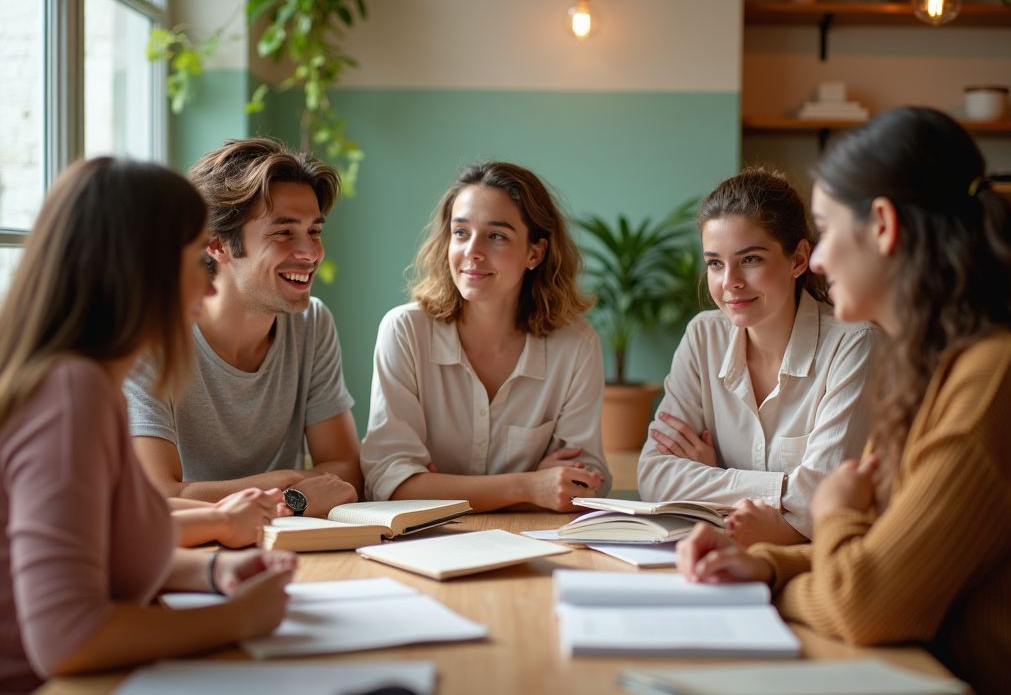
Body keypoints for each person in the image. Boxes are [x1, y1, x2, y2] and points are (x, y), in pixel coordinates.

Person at [677, 107, 1011, 695]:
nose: (815, 260)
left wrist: (833, 512)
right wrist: (767, 564)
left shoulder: (990, 381)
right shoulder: (938, 366)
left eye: (828, 230)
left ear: (883, 226)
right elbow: (886, 555)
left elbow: (865, 602)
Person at [0, 158, 295, 694]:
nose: (208, 291)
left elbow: (106, 547)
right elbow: (67, 638)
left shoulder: (87, 387)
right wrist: (237, 621)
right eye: (195, 264)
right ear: (140, 271)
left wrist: (211, 574)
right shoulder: (72, 396)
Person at [637, 169, 880, 546]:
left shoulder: (855, 345)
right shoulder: (703, 336)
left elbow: (824, 502)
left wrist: (713, 477)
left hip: (825, 573)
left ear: (799, 259)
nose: (729, 281)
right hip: (724, 560)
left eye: (750, 259)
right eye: (715, 263)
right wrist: (785, 490)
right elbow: (654, 475)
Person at [126, 138, 361, 518]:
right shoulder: (152, 334)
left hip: (285, 544)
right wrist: (289, 484)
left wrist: (275, 497)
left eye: (314, 231)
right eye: (284, 233)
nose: (310, 252)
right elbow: (159, 497)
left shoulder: (312, 323)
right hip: (187, 552)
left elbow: (345, 473)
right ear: (217, 245)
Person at [360, 161, 612, 511]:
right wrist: (527, 486)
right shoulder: (404, 331)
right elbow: (389, 484)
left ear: (534, 253)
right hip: (423, 546)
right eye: (461, 232)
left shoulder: (576, 345)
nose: (472, 252)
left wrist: (433, 488)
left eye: (496, 236)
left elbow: (583, 483)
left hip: (533, 545)